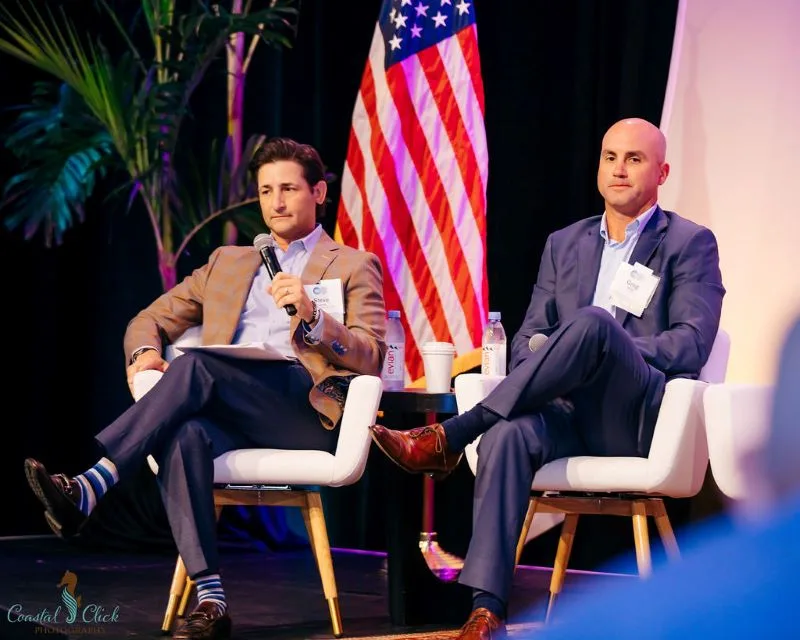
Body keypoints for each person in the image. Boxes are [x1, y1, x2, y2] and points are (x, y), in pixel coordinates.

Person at [370, 117, 725, 639]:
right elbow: (527, 341)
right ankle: (486, 609)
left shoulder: (689, 243)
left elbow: (691, 343)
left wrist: (602, 347)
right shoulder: (564, 243)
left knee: (594, 324)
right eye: (610, 157)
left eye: (634, 159)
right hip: (564, 412)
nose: (619, 169)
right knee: (508, 435)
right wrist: (566, 353)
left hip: (634, 415)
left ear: (662, 172)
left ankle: (454, 433)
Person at [24, 137, 387, 640]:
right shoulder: (227, 262)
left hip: (302, 409)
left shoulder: (351, 263)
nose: (276, 202)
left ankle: (95, 483)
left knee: (195, 367)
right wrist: (143, 353)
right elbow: (148, 320)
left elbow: (371, 355)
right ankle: (211, 601)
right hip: (230, 405)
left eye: (288, 189)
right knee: (185, 435)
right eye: (266, 191)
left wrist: (314, 317)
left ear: (318, 193)